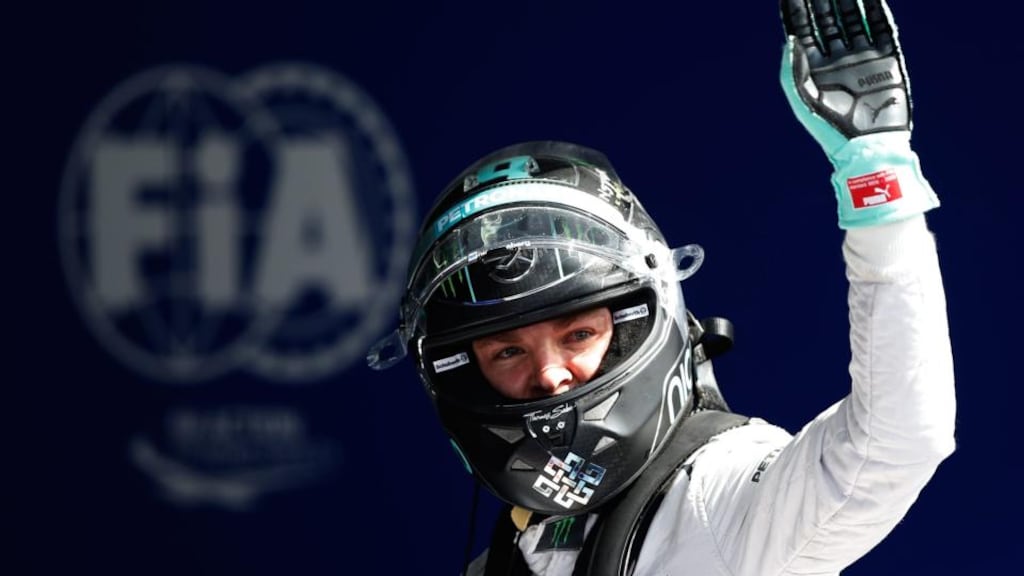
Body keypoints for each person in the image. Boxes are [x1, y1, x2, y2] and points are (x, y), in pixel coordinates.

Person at [366, 0, 956, 574]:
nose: (549, 375)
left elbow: (891, 448)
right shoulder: (507, 558)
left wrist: (876, 179)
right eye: (508, 351)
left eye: (578, 334)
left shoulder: (719, 502)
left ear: (635, 326)